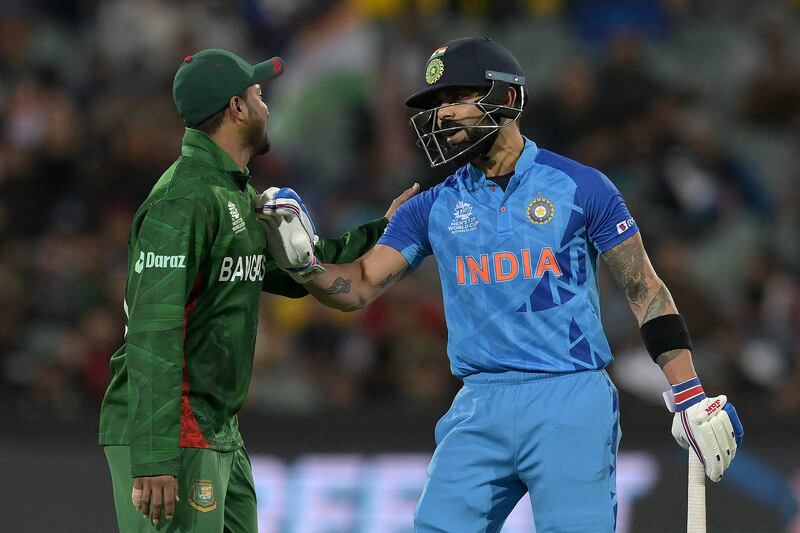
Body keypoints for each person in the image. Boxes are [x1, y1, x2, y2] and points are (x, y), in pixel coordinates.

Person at [260, 37, 744, 532]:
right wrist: (306, 266)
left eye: (455, 98)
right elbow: (359, 285)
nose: (442, 115)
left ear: (506, 99)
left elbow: (645, 290)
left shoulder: (582, 186)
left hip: (570, 399)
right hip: (479, 403)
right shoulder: (429, 205)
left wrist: (688, 393)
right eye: (435, 104)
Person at [98, 48, 417, 532]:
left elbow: (296, 271)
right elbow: (152, 333)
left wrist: (382, 230)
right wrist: (154, 456)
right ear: (237, 109)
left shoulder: (233, 193)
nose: (267, 107)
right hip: (173, 427)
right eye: (259, 95)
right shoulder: (183, 201)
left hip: (215, 426)